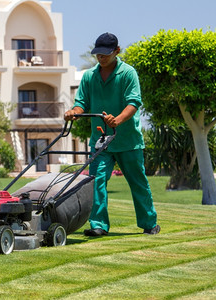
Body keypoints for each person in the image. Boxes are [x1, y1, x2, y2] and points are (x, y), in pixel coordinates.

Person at [64, 32, 160, 236]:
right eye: (98, 54)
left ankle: (149, 223)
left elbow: (133, 103)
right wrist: (74, 112)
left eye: (106, 54)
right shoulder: (89, 76)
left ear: (117, 51)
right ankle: (98, 225)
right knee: (96, 181)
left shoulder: (128, 73)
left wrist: (117, 120)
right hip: (101, 141)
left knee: (138, 182)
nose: (101, 57)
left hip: (128, 140)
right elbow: (81, 103)